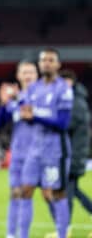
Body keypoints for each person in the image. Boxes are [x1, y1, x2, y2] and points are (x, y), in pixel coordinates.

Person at [18, 48, 73, 238]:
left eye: (51, 60)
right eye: (43, 60)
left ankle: (62, 234)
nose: (47, 63)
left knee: (56, 193)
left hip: (56, 149)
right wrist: (25, 113)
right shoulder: (34, 88)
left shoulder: (63, 89)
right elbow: (25, 111)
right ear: (39, 64)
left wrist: (35, 115)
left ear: (58, 64)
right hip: (35, 148)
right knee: (25, 190)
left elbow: (63, 123)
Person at [0, 60, 39, 238]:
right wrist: (3, 103)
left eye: (31, 72)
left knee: (39, 194)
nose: (28, 75)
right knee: (15, 194)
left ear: (37, 75)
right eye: (24, 72)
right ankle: (11, 234)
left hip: (38, 153)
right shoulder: (15, 99)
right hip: (18, 152)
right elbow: (0, 123)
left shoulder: (43, 96)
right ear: (18, 76)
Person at [56, 69, 92, 235]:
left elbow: (66, 125)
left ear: (70, 82)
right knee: (73, 190)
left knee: (67, 192)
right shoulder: (76, 100)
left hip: (74, 154)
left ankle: (65, 229)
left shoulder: (76, 102)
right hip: (73, 153)